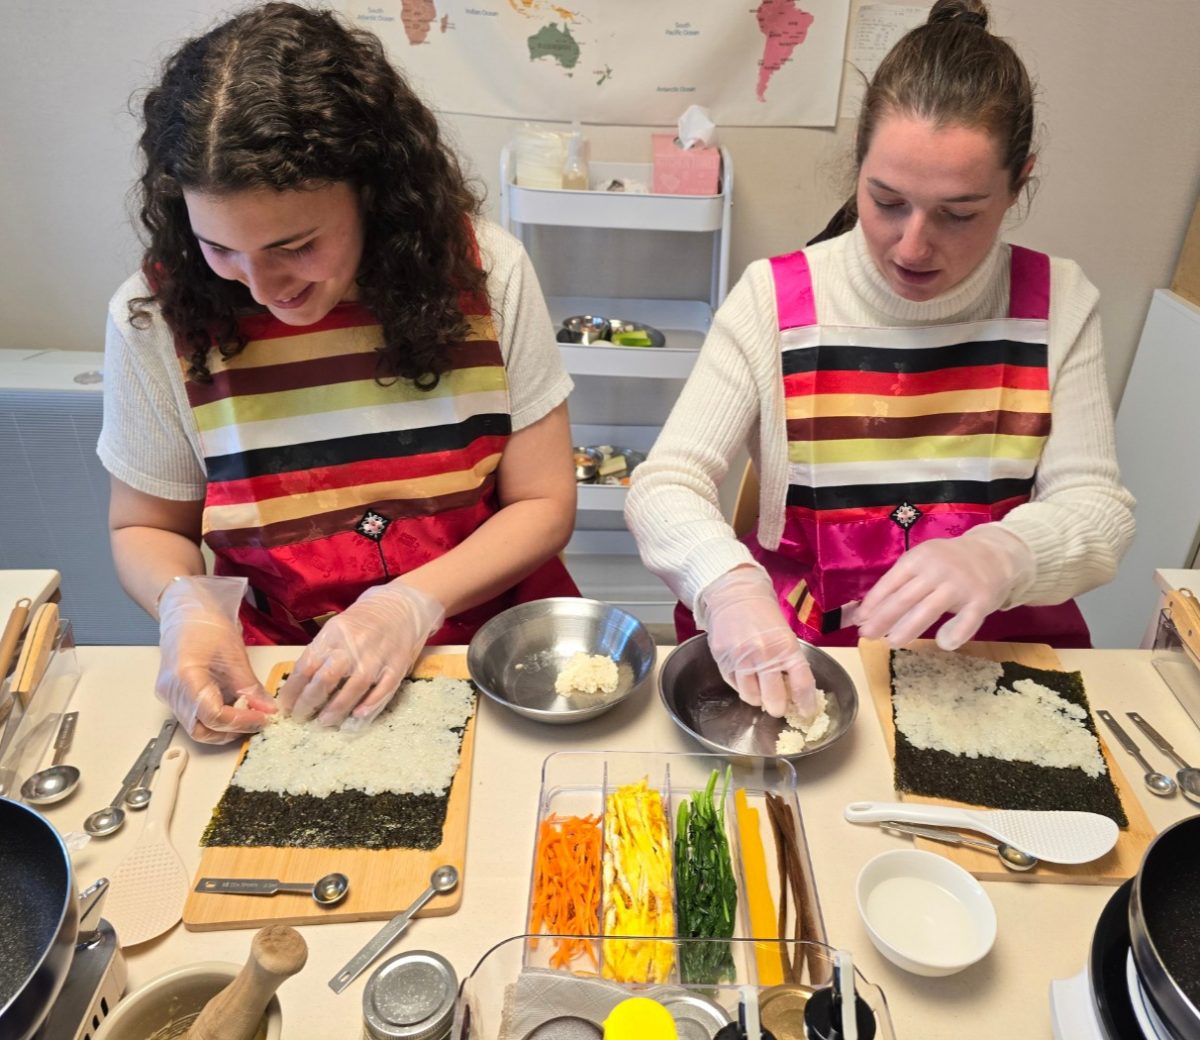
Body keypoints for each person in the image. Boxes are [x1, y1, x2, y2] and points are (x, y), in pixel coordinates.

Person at [626, 0, 1135, 720]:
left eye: (959, 214)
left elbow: (1099, 510)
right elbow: (666, 483)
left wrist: (1003, 554)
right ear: (858, 164)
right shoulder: (776, 299)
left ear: (1019, 182)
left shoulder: (1056, 301)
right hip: (810, 645)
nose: (912, 247)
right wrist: (729, 584)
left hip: (987, 646)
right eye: (887, 200)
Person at [99, 3, 579, 743]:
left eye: (295, 244)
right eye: (220, 249)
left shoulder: (486, 273)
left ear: (373, 191)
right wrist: (184, 607)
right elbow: (144, 524)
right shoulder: (155, 312)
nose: (261, 287)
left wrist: (409, 603)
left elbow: (544, 501)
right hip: (288, 663)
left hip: (487, 644)